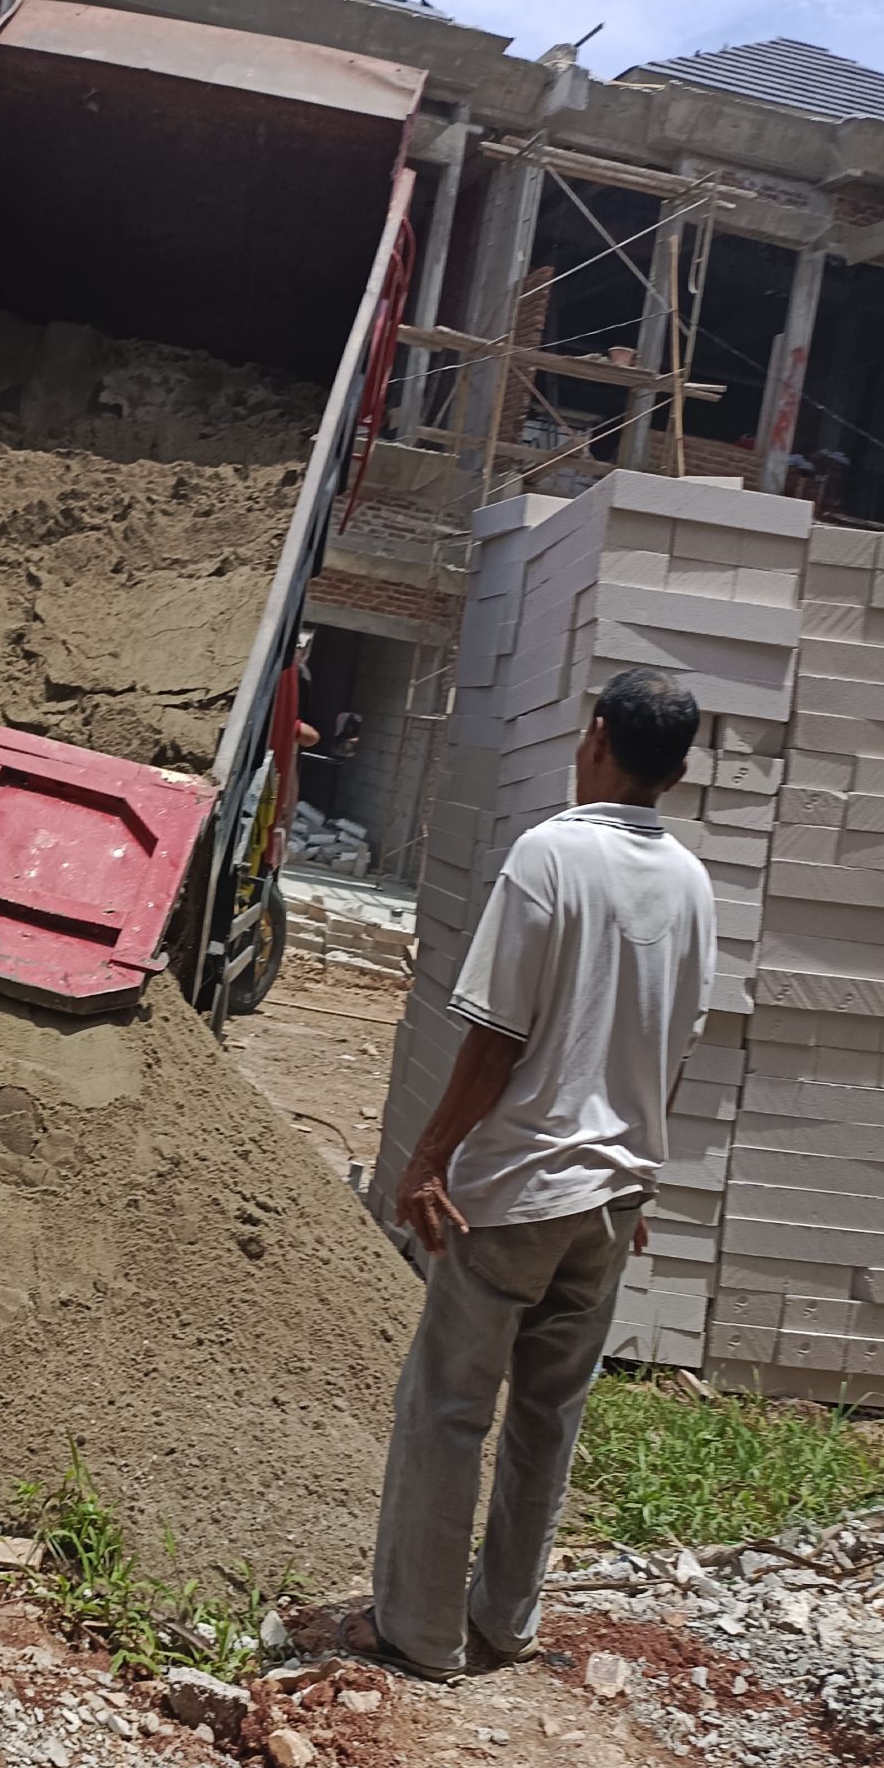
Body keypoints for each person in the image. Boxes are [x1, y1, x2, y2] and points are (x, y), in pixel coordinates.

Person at [353, 666, 715, 1682]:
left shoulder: (550, 854)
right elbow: (673, 1046)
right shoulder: (691, 884)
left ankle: (419, 1631)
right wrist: (637, 1170)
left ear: (595, 737)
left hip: (515, 1194)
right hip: (612, 1199)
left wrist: (430, 1158)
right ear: (676, 773)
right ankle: (505, 1621)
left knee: (448, 1409)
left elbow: (496, 1037)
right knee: (549, 1419)